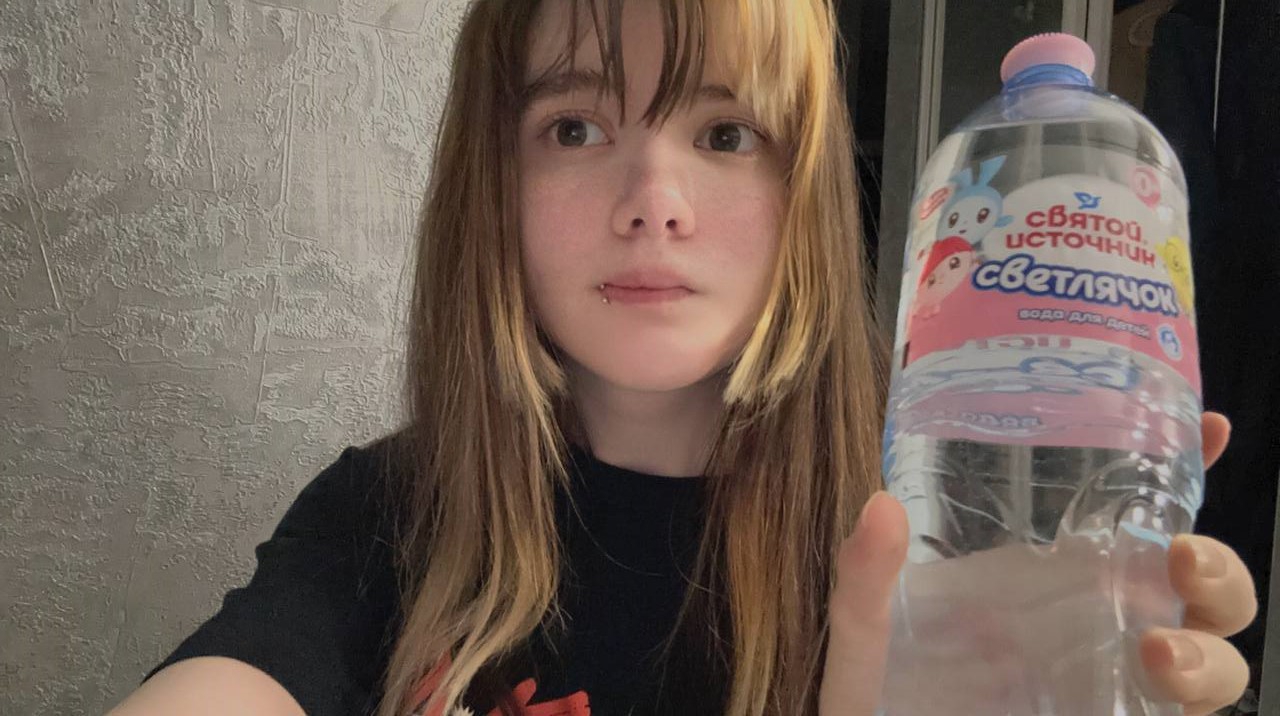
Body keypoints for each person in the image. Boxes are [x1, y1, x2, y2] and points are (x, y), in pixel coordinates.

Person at [106, 1, 1258, 715]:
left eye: (723, 133)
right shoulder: (386, 513)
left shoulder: (936, 536)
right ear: (491, 185)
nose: (653, 200)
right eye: (574, 127)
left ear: (800, 195)